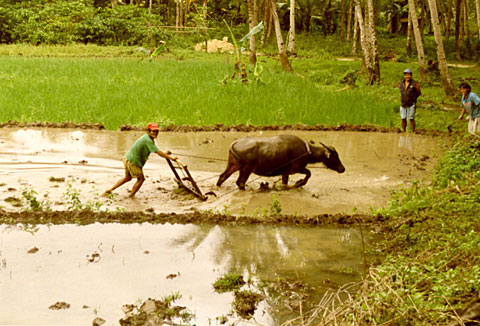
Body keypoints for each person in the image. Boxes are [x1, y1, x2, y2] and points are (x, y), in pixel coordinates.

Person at [103, 123, 177, 198]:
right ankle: (131, 196)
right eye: (153, 131)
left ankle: (109, 190)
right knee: (141, 179)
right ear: (148, 131)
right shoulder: (148, 140)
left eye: (156, 131)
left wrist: (165, 153)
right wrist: (171, 158)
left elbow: (155, 149)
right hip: (133, 161)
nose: (155, 133)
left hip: (127, 158)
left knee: (127, 178)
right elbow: (158, 152)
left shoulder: (147, 138)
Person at [399, 68, 421, 133]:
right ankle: (403, 130)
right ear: (404, 76)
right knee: (403, 118)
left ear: (411, 75)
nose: (407, 76)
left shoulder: (415, 83)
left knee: (411, 118)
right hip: (403, 103)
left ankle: (412, 131)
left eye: (409, 75)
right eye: (406, 75)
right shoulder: (402, 83)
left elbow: (419, 92)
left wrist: (414, 99)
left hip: (411, 103)